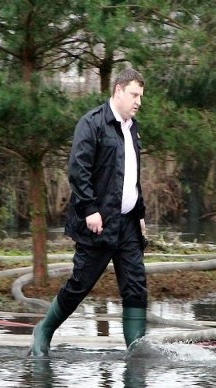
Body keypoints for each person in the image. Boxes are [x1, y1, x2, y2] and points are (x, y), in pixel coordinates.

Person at [28, 68, 148, 357]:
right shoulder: (92, 124)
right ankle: (44, 330)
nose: (138, 102)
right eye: (134, 95)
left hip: (128, 224)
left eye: (141, 97)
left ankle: (137, 350)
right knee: (80, 284)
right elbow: (78, 171)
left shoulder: (133, 129)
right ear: (118, 91)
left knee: (136, 286)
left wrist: (140, 213)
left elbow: (132, 177)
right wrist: (90, 210)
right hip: (98, 222)